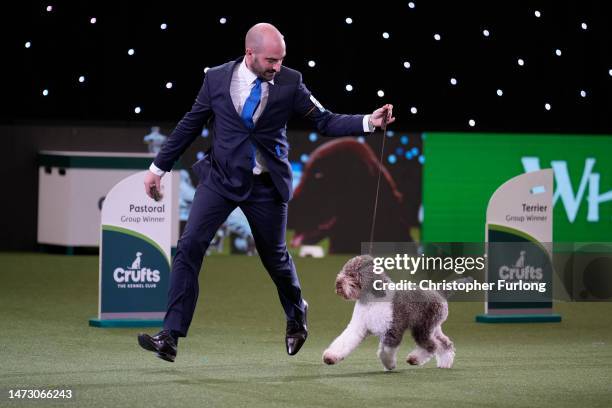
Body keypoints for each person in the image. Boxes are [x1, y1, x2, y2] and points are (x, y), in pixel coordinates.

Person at [137, 22, 395, 362]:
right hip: (221, 179)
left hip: (265, 185)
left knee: (275, 258)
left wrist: (368, 122)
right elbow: (190, 123)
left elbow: (324, 120)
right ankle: (170, 336)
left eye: (281, 59)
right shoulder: (215, 78)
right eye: (271, 60)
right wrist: (159, 168)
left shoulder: (291, 81)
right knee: (189, 247)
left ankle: (296, 312)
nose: (277, 67)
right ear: (250, 54)